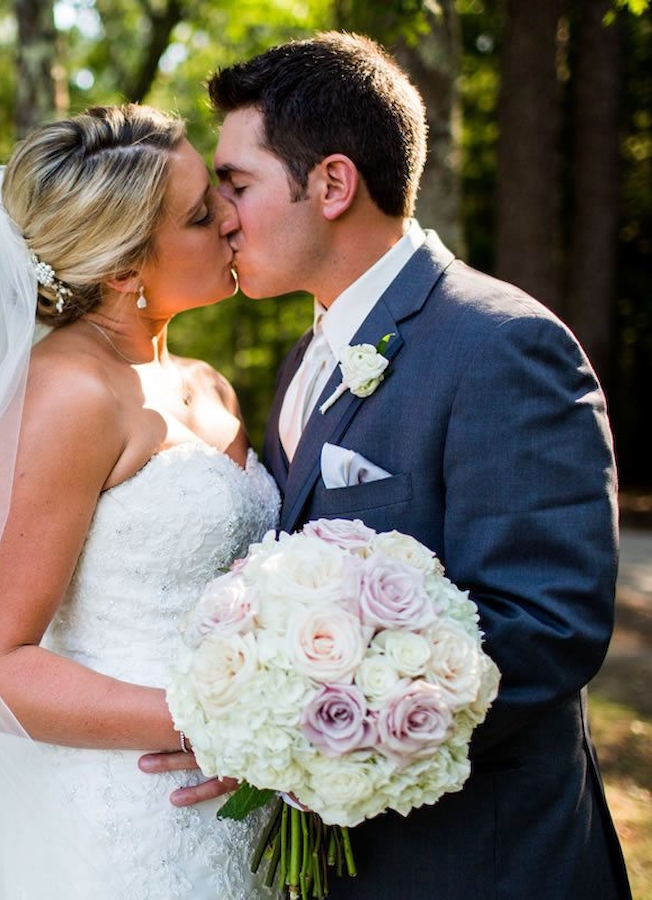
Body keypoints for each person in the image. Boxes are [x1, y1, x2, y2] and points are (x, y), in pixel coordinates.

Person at [144, 30, 631, 900]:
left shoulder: (503, 346)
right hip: (346, 861)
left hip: (480, 864)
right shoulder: (306, 356)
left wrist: (296, 734)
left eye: (238, 184)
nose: (222, 215)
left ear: (332, 184)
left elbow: (548, 624)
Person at [0, 104, 282, 899]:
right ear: (122, 270)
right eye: (200, 216)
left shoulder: (204, 383)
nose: (232, 220)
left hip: (245, 804)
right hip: (137, 812)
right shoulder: (69, 395)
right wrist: (219, 723)